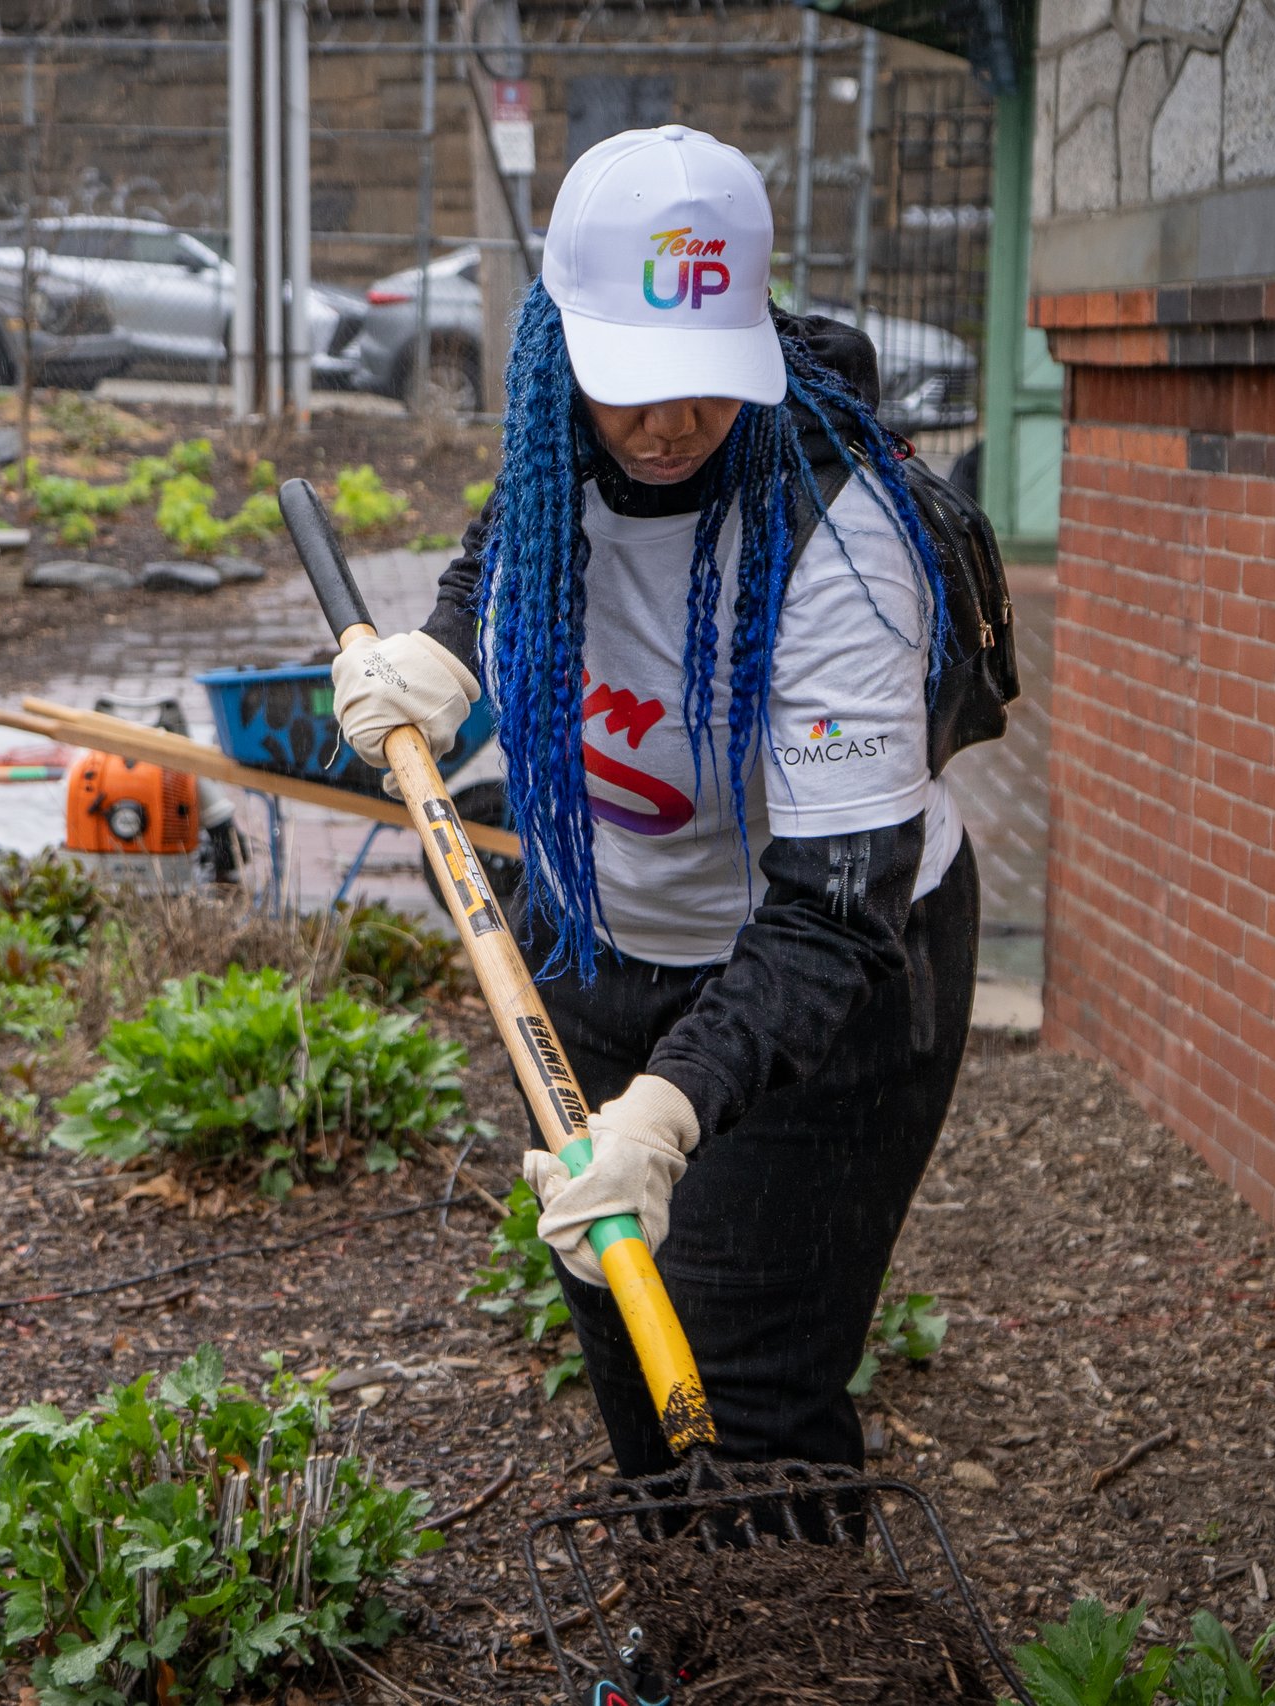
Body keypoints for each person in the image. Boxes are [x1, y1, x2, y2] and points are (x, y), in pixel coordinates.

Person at [332, 126, 979, 1479]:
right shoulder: (554, 431)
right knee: (621, 1320)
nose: (674, 420)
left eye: (703, 378)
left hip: (827, 991)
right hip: (601, 946)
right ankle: (678, 1638)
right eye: (634, 379)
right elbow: (510, 540)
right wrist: (448, 655)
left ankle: (781, 1648)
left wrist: (669, 1111)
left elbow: (834, 906)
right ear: (557, 345)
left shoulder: (841, 535)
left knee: (743, 1388)